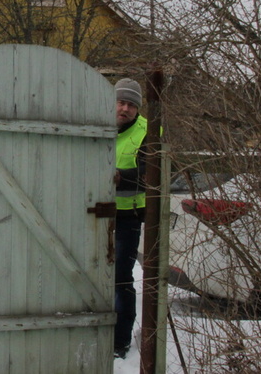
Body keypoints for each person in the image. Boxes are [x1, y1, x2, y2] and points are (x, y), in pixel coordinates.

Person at [113, 77, 149, 359]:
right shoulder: (98, 124)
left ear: (137, 109)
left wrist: (120, 177)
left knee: (121, 278)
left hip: (128, 217)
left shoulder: (148, 132)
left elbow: (153, 176)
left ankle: (120, 341)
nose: (124, 109)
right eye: (121, 102)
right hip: (93, 213)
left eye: (130, 105)